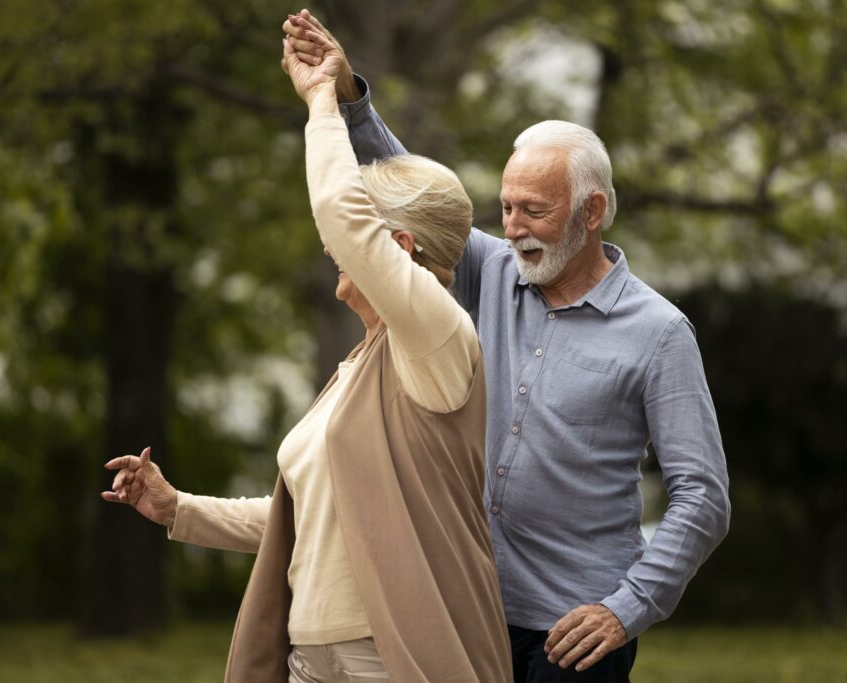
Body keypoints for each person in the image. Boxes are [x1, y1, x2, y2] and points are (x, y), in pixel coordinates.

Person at [283, 11, 731, 683]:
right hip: (468, 609)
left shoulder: (659, 332)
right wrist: (347, 100)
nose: (515, 228)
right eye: (507, 208)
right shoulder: (491, 270)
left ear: (592, 211)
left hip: (572, 635)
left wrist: (628, 606)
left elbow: (703, 495)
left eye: (535, 211)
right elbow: (410, 203)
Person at [101, 29, 511, 683]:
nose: (333, 249)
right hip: (311, 656)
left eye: (358, 241)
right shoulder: (358, 365)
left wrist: (324, 101)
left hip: (393, 657)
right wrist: (178, 506)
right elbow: (314, 511)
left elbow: (340, 213)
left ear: (399, 249)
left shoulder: (439, 336)